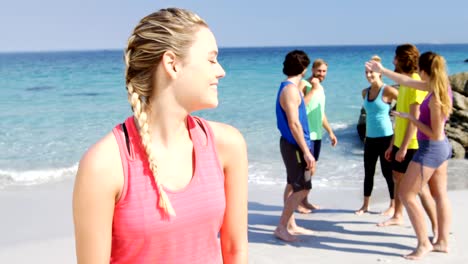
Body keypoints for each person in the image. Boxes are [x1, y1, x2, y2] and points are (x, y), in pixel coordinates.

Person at [72, 8, 248, 263]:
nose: (221, 71)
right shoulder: (103, 165)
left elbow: (234, 249)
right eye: (211, 59)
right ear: (172, 64)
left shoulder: (228, 145)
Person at [367, 51, 453, 260]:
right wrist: (383, 71)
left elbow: (434, 133)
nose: (417, 75)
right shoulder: (438, 87)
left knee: (406, 194)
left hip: (430, 149)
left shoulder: (435, 98)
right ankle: (441, 241)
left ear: (424, 71)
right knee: (439, 195)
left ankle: (424, 244)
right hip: (441, 148)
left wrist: (410, 119)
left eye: (419, 72)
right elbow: (406, 80)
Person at [375, 44, 437, 239]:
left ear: (403, 59)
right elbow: (400, 117)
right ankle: (398, 215)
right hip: (400, 141)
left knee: (420, 189)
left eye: (396, 57)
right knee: (397, 178)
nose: (393, 60)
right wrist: (392, 143)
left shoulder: (415, 82)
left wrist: (402, 148)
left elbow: (414, 119)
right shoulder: (405, 82)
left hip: (413, 145)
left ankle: (436, 228)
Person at [274, 50, 316, 242]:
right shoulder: (290, 90)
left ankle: (290, 224)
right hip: (295, 145)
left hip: (294, 144)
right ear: (304, 69)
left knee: (293, 184)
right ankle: (281, 227)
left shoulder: (290, 87)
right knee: (303, 188)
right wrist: (306, 152)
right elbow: (294, 123)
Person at [292, 59, 337, 214]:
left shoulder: (321, 88)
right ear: (313, 70)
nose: (322, 74)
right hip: (305, 134)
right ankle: (296, 202)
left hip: (317, 135)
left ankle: (304, 200)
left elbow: (321, 112)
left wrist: (330, 132)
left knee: (311, 169)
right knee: (304, 169)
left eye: (324, 71)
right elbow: (297, 107)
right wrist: (313, 89)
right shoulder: (304, 84)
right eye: (319, 71)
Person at [355, 55, 398, 215]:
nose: (368, 75)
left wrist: (399, 118)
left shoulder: (388, 90)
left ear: (379, 73)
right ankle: (365, 205)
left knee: (388, 173)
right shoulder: (364, 92)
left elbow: (406, 105)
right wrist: (366, 136)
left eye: (371, 72)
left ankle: (393, 205)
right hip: (370, 139)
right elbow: (369, 116)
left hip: (386, 138)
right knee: (368, 172)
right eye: (366, 72)